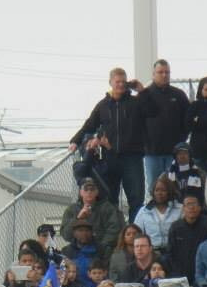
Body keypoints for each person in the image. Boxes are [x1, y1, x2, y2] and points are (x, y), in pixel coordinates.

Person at [67, 67, 158, 220]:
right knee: (110, 198)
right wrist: (75, 141)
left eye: (124, 82)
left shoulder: (136, 102)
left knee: (136, 199)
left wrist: (142, 91)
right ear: (111, 82)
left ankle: (134, 233)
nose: (121, 85)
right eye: (117, 82)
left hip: (132, 158)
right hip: (110, 158)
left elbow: (153, 111)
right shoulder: (103, 105)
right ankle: (116, 235)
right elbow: (90, 124)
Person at [141, 60, 190, 202]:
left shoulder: (179, 95)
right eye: (160, 72)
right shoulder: (145, 95)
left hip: (174, 154)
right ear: (153, 74)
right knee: (154, 189)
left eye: (167, 72)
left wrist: (181, 141)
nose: (164, 75)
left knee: (176, 188)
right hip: (152, 153)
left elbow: (187, 121)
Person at [60, 178, 124, 258]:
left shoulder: (107, 208)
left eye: (92, 189)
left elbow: (114, 230)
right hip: (77, 249)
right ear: (80, 192)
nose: (89, 192)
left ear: (97, 192)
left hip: (101, 250)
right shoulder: (72, 209)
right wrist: (78, 218)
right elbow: (66, 235)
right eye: (86, 189)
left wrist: (100, 246)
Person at [166, 196, 207, 285]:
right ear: (183, 209)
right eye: (188, 204)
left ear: (199, 208)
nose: (191, 207)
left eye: (194, 204)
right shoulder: (175, 227)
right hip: (180, 275)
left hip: (204, 275)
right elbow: (170, 253)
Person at [134, 176, 181, 254]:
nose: (159, 193)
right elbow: (137, 234)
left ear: (169, 191)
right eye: (157, 190)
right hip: (151, 254)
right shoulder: (144, 211)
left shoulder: (180, 209)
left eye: (163, 190)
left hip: (175, 252)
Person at [61, 220, 103, 287]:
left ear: (92, 233)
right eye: (80, 230)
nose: (84, 233)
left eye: (87, 230)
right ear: (74, 233)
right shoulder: (66, 251)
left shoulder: (100, 249)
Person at [163, 142, 205, 208]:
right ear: (175, 156)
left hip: (193, 208)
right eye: (179, 153)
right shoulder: (167, 174)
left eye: (185, 153)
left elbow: (205, 193)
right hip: (173, 208)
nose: (182, 156)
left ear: (190, 155)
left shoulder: (200, 173)